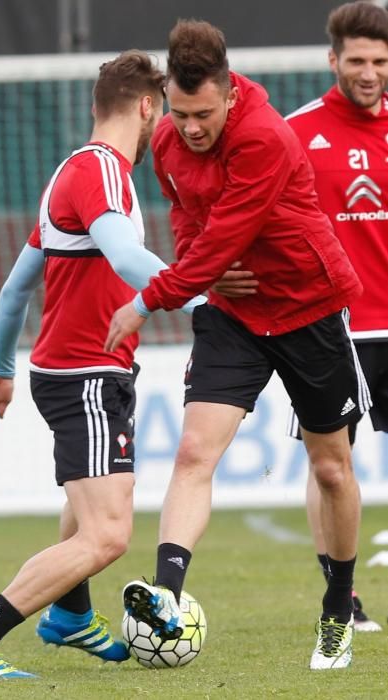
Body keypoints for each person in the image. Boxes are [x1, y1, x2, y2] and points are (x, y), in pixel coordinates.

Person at [0, 48, 211, 681]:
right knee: (108, 535)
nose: (161, 128)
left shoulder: (69, 172)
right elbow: (122, 255)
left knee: (87, 515)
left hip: (80, 369)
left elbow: (14, 290)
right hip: (85, 374)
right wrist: (203, 300)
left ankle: (69, 616)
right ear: (147, 106)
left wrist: (3, 367)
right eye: (161, 114)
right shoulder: (104, 174)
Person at [105, 19, 372, 671]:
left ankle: (337, 608)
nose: (190, 128)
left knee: (331, 468)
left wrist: (147, 299)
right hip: (233, 315)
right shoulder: (167, 138)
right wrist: (197, 263)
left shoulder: (265, 137)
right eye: (179, 112)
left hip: (306, 306)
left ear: (229, 93)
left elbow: (225, 234)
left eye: (203, 114)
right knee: (195, 451)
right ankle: (166, 594)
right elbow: (188, 220)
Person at [285, 0, 388, 634]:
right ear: (333, 60)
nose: (370, 71)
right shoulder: (297, 132)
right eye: (357, 60)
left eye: (380, 60)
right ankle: (341, 596)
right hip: (333, 328)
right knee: (330, 467)